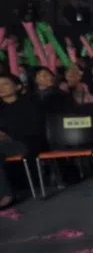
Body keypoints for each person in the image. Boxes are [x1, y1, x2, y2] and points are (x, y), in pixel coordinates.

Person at [0, 72, 45, 209]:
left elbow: (35, 127)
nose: (1, 88)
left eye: (5, 84)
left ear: (18, 86)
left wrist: (8, 135)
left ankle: (7, 194)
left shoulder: (30, 103)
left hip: (27, 142)